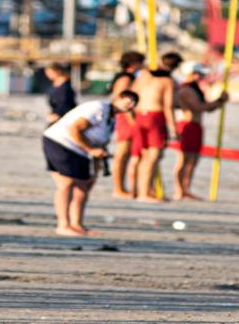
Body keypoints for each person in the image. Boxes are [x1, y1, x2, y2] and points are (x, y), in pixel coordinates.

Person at [44, 90, 137, 237]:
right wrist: (92, 150)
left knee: (84, 185)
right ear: (117, 98)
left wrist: (97, 164)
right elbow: (75, 129)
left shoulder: (111, 120)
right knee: (66, 183)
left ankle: (77, 225)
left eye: (134, 104)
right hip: (60, 142)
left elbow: (100, 144)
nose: (130, 105)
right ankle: (63, 225)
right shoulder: (99, 108)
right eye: (128, 101)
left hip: (80, 151)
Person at [171, 62, 227, 201]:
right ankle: (179, 190)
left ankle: (186, 188)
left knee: (194, 159)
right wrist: (219, 101)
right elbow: (198, 107)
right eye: (199, 74)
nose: (200, 77)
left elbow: (207, 108)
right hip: (187, 125)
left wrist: (219, 102)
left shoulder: (195, 89)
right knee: (184, 159)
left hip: (196, 126)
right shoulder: (186, 90)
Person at [131, 51, 182, 203]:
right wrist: (173, 129)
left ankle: (145, 190)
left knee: (145, 156)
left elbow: (131, 94)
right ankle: (144, 193)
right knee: (153, 157)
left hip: (140, 115)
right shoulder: (167, 81)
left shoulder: (144, 75)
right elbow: (168, 106)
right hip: (155, 116)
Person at [107, 50, 145, 199]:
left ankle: (122, 187)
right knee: (122, 153)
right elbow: (123, 101)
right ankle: (118, 188)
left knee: (126, 153)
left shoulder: (126, 77)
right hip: (125, 118)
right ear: (134, 64)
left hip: (125, 117)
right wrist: (133, 121)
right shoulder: (125, 79)